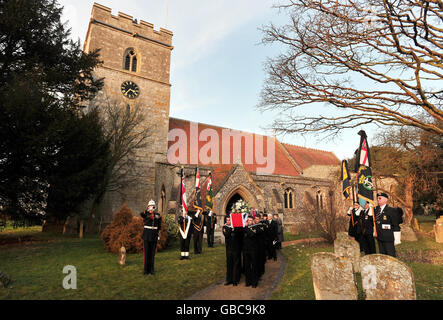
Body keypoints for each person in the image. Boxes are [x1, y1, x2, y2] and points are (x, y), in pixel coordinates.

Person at [374, 192, 399, 257]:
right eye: (377, 198)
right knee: (382, 255)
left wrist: (396, 239)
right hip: (379, 237)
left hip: (388, 237)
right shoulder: (376, 210)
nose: (378, 200)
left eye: (380, 198)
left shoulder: (391, 210)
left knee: (390, 256)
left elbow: (395, 224)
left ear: (386, 200)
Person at [140, 200, 162, 275]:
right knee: (146, 253)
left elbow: (159, 226)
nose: (151, 207)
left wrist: (159, 234)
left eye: (152, 206)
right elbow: (142, 215)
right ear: (148, 207)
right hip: (146, 235)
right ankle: (146, 270)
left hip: (154, 235)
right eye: (150, 206)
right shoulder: (145, 214)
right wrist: (148, 211)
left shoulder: (158, 215)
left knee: (152, 253)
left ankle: (152, 269)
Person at [223, 216, 241, 286]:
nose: (228, 221)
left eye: (229, 220)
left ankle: (235, 280)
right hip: (229, 249)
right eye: (227, 220)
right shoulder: (225, 227)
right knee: (229, 264)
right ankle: (229, 280)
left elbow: (239, 234)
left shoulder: (236, 228)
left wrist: (234, 227)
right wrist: (232, 228)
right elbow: (226, 234)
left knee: (236, 264)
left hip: (236, 248)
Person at [243, 216, 258, 288]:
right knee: (247, 266)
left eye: (250, 220)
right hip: (246, 250)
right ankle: (248, 281)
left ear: (253, 221)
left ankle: (254, 282)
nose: (249, 221)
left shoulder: (255, 227)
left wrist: (245, 227)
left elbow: (251, 234)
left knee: (254, 266)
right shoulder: (244, 228)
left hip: (253, 250)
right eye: (248, 220)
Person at [254, 214, 266, 279]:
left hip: (261, 245)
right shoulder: (253, 226)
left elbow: (258, 232)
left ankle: (261, 272)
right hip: (255, 245)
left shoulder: (262, 226)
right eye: (255, 219)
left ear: (259, 219)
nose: (256, 220)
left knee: (261, 259)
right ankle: (257, 272)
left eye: (257, 219)